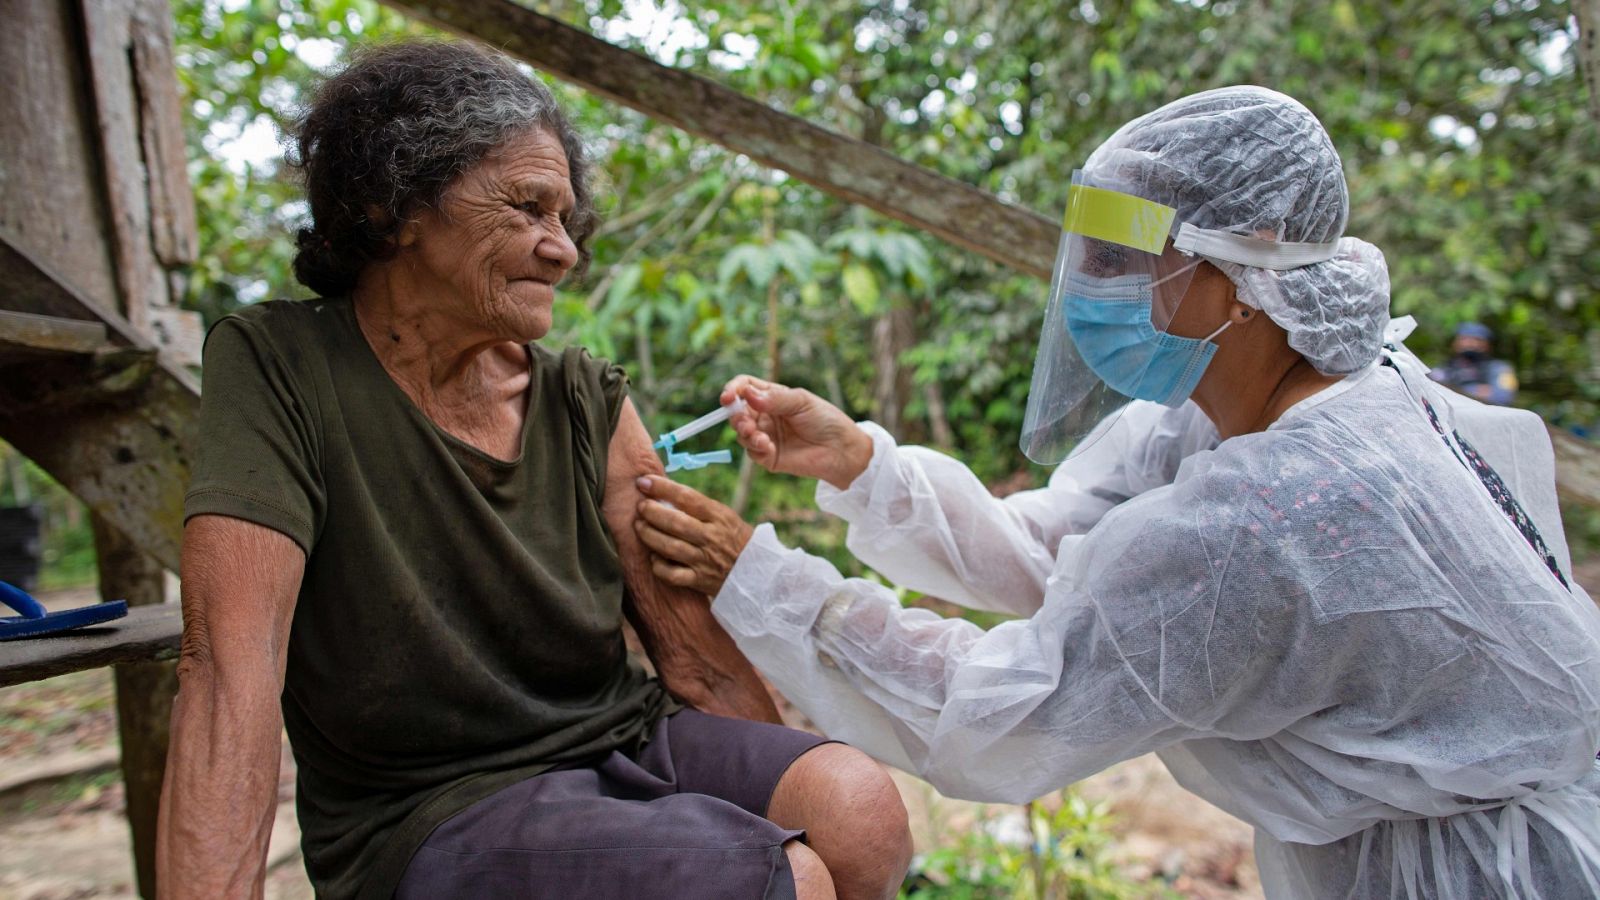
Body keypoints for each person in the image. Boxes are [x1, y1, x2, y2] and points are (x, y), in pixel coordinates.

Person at [633, 86, 1600, 899]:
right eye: (1085, 256)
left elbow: (1002, 712)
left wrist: (764, 582)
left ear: (1246, 258)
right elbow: (1056, 551)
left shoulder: (1280, 508)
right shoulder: (1254, 401)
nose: (1089, 288)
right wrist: (859, 462)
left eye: (1120, 259)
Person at [156, 41, 910, 900]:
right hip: (431, 806)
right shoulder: (280, 366)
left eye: (565, 218)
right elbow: (226, 671)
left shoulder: (584, 396)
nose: (564, 251)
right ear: (393, 203)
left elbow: (693, 660)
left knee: (858, 812)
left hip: (621, 738)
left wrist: (761, 829)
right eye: (527, 208)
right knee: (781, 883)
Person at [1429, 322, 1519, 405]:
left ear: (1488, 345)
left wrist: (1452, 389)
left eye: (1477, 340)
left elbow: (1503, 397)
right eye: (1464, 339)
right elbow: (1428, 393)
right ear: (1454, 343)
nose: (1470, 344)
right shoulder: (1443, 369)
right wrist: (1479, 390)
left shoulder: (1500, 368)